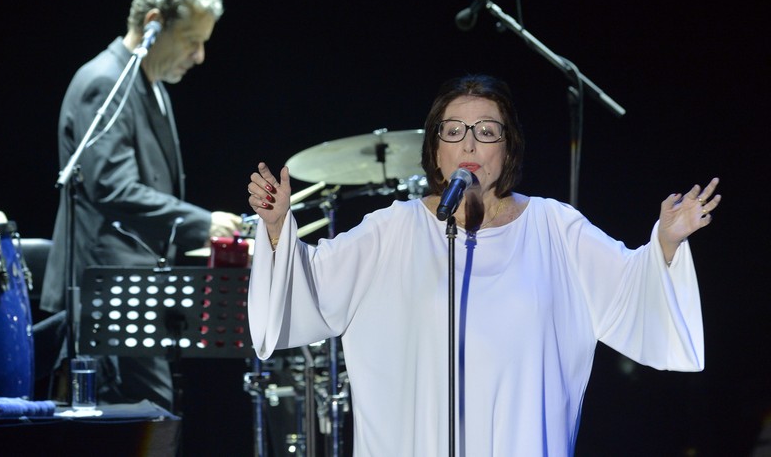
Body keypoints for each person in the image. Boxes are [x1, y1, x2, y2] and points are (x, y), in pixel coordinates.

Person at [246, 73, 721, 456]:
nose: (469, 145)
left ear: (507, 147)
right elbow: (311, 287)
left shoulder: (554, 228)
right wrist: (276, 228)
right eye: (453, 131)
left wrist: (665, 243)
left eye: (486, 132)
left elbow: (629, 292)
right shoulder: (392, 229)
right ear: (436, 150)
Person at [41, 0, 243, 410]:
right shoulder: (105, 82)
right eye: (192, 40)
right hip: (105, 293)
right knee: (146, 424)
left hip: (133, 290)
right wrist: (199, 222)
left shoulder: (149, 87)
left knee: (151, 420)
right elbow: (112, 189)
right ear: (154, 23)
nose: (200, 55)